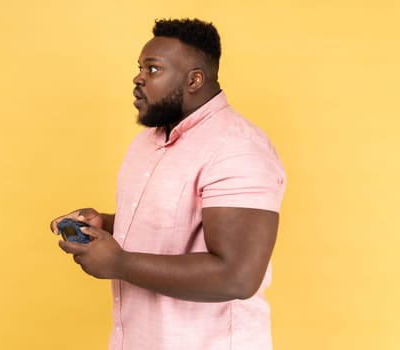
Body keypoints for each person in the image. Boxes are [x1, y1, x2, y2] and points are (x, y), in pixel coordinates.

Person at [51, 18, 286, 350]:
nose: (138, 78)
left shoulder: (237, 149)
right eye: (140, 68)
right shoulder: (147, 142)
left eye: (153, 69)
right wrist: (105, 225)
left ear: (194, 79)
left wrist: (118, 262)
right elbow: (174, 228)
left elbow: (237, 275)